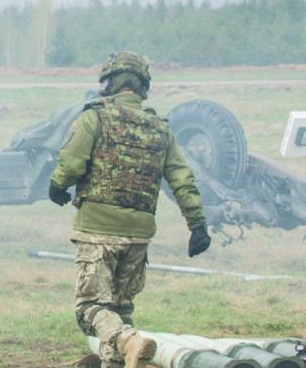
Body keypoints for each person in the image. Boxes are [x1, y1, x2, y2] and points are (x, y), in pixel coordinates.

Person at [48, 51, 211, 368]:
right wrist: (198, 226)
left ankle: (130, 342)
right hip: (138, 237)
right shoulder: (161, 129)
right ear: (142, 87)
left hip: (97, 231)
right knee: (120, 310)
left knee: (91, 307)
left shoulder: (94, 117)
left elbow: (70, 162)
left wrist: (57, 185)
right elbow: (182, 179)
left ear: (108, 83)